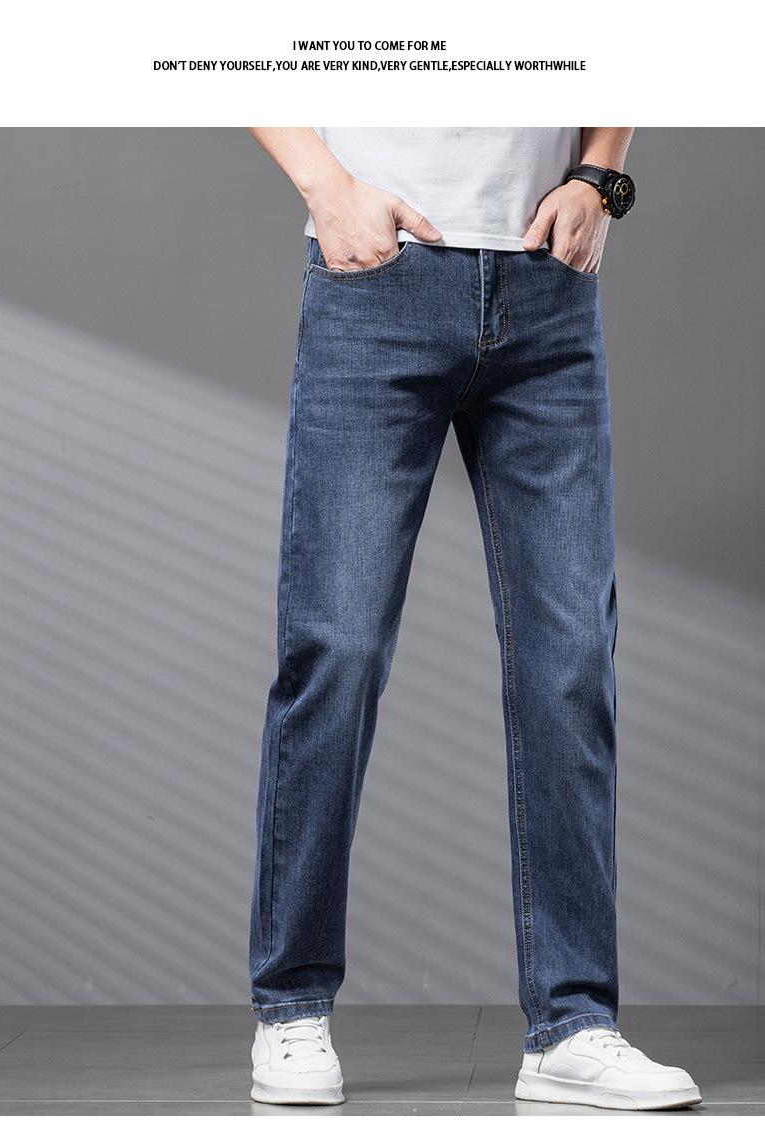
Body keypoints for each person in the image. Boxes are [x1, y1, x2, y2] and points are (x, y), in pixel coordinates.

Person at [245, 127, 701, 1111]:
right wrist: (325, 187)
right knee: (336, 647)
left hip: (546, 287)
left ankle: (573, 1024)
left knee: (570, 662)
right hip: (378, 281)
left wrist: (600, 176)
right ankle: (289, 1005)